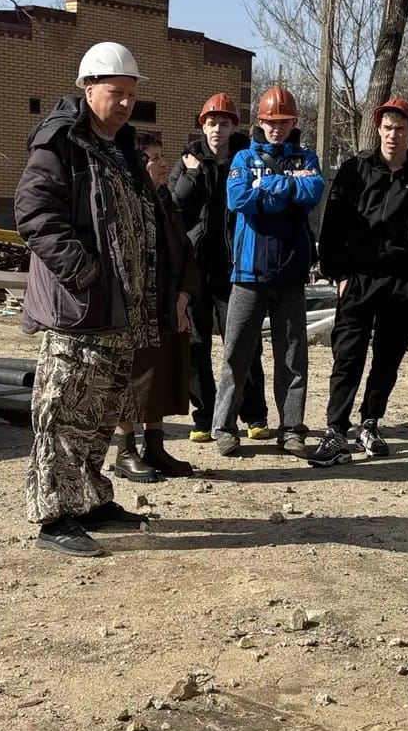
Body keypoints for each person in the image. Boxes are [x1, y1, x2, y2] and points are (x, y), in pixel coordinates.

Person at [16, 42, 187, 558]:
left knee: (101, 410)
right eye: (116, 92)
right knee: (64, 411)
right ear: (88, 88)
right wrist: (83, 273)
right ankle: (54, 517)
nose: (126, 103)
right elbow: (35, 215)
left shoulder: (124, 148)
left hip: (118, 313)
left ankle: (89, 500)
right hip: (80, 309)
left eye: (132, 94)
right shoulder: (60, 143)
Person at [311, 97, 408, 466]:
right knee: (347, 355)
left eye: (400, 129)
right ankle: (336, 430)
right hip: (358, 278)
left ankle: (370, 422)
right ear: (378, 130)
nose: (392, 135)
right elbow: (332, 223)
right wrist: (337, 273)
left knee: (388, 356)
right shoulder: (355, 170)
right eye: (386, 128)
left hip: (400, 282)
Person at [214, 86, 324, 456]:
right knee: (236, 354)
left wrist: (267, 185)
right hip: (248, 273)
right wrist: (288, 188)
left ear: (294, 122)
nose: (276, 128)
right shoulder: (244, 157)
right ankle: (224, 428)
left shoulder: (306, 157)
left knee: (292, 358)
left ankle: (291, 430)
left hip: (291, 274)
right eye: (270, 122)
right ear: (260, 122)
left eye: (284, 122)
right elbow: (238, 198)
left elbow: (313, 190)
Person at [172, 95, 266, 444]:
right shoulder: (188, 161)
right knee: (196, 346)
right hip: (196, 270)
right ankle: (204, 416)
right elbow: (174, 206)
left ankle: (253, 413)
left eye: (224, 123)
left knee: (243, 345)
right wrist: (192, 175)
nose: (217, 129)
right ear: (203, 125)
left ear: (233, 127)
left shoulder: (249, 159)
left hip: (235, 268)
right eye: (211, 123)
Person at [108, 131, 202, 482]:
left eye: (163, 156)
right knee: (132, 375)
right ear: (137, 163)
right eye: (154, 158)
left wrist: (183, 296)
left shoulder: (163, 200)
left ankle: (155, 447)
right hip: (136, 306)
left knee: (160, 374)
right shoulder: (128, 201)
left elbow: (186, 252)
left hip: (168, 304)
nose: (163, 164)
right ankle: (125, 451)